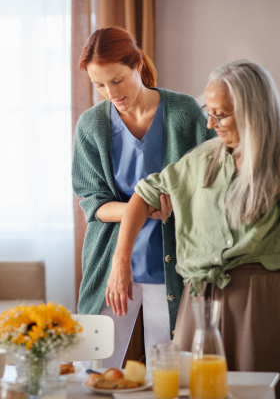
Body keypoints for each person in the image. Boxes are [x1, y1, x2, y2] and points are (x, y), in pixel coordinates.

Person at [112, 59, 280, 399]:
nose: (210, 124)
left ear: (253, 111)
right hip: (198, 297)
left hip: (264, 297)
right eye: (208, 111)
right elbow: (144, 193)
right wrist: (120, 260)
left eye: (220, 114)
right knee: (189, 392)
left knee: (255, 393)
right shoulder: (202, 159)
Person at [71, 26, 216, 368]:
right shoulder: (91, 125)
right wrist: (144, 208)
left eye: (117, 80)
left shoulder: (183, 113)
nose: (110, 92)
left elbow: (208, 183)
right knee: (93, 370)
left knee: (169, 373)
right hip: (112, 262)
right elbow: (93, 204)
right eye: (100, 85)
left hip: (174, 265)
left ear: (137, 65)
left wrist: (175, 203)